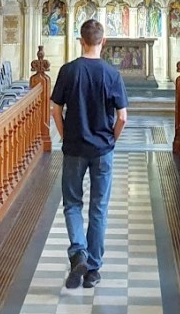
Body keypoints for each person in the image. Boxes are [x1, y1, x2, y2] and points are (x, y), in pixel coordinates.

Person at [50, 18, 128, 289]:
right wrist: (112, 140)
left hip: (74, 147)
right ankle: (93, 269)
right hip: (102, 149)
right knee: (99, 208)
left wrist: (64, 135)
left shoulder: (68, 71)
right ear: (103, 42)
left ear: (81, 41)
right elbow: (123, 117)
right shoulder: (111, 73)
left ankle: (78, 253)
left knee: (72, 203)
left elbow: (55, 110)